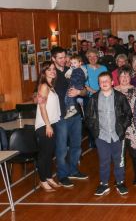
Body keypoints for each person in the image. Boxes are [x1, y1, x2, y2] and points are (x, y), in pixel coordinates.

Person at [85, 72, 132, 196]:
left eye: (107, 81)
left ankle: (120, 182)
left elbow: (128, 114)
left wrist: (122, 127)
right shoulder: (93, 98)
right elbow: (88, 117)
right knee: (104, 160)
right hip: (101, 136)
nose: (104, 83)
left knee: (119, 160)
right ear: (99, 84)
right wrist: (95, 132)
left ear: (112, 82)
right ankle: (104, 184)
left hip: (117, 135)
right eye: (101, 81)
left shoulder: (120, 97)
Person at [51, 46, 88, 188]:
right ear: (53, 59)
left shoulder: (72, 70)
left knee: (76, 145)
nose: (63, 60)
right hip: (60, 116)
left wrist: (79, 92)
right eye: (59, 57)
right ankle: (62, 175)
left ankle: (73, 170)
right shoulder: (51, 75)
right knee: (61, 148)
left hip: (75, 114)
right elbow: (39, 93)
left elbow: (85, 91)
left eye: (64, 57)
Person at [114, 66, 136, 185]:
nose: (125, 78)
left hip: (133, 127)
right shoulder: (113, 91)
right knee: (119, 155)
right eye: (122, 75)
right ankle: (119, 177)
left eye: (127, 75)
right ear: (118, 78)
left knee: (135, 153)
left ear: (130, 77)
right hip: (117, 127)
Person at [35, 61, 61, 192]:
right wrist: (48, 125)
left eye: (53, 69)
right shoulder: (44, 86)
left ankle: (49, 177)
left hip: (52, 123)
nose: (52, 71)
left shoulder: (51, 86)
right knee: (44, 154)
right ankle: (42, 180)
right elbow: (42, 107)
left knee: (49, 153)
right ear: (44, 72)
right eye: (49, 69)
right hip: (45, 125)